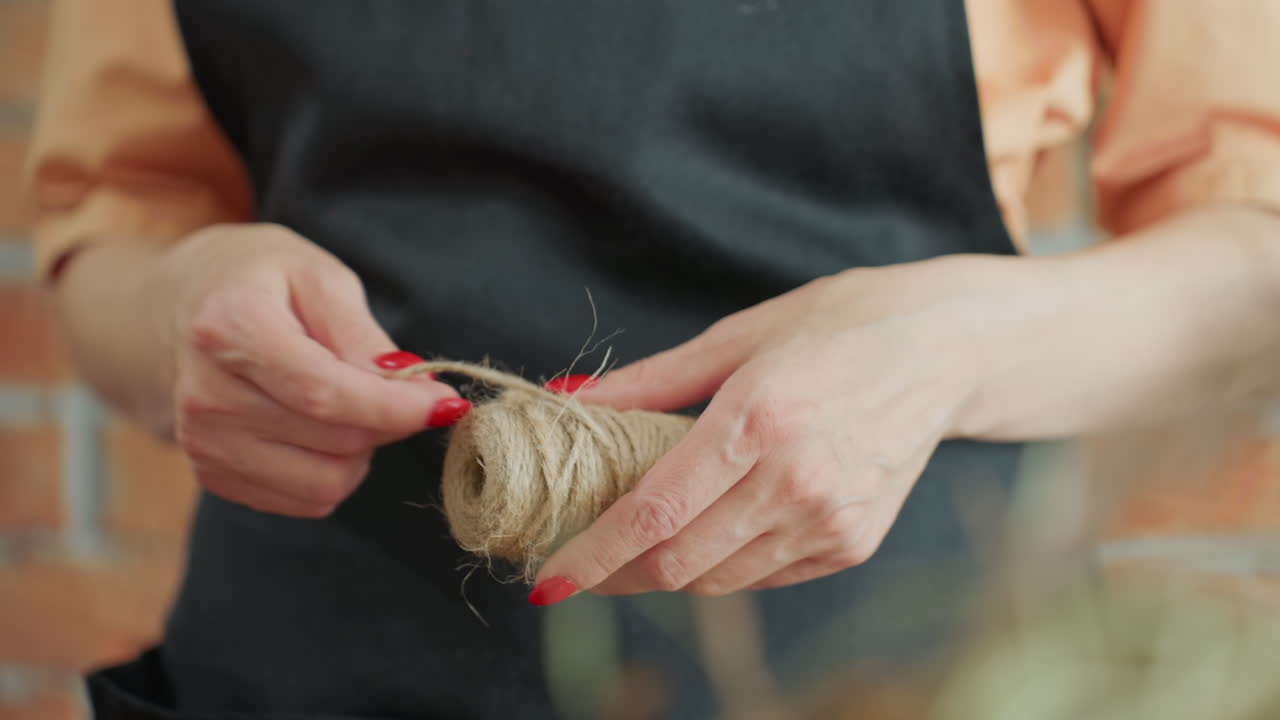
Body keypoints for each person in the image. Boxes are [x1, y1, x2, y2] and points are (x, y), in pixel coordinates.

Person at [25, 1, 1280, 718]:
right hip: (309, 669)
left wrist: (950, 351)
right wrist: (177, 309)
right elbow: (119, 230)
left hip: (890, 669)